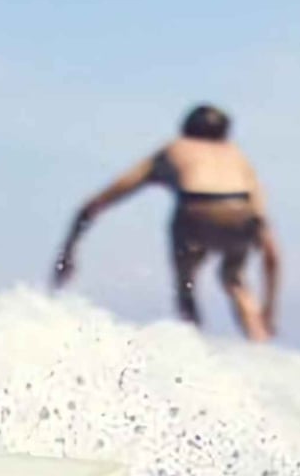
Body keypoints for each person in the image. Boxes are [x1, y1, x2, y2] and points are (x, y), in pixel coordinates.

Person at [52, 104, 279, 341]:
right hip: (241, 211)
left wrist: (68, 251)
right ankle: (260, 342)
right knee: (235, 281)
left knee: (186, 285)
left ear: (185, 129)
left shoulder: (173, 149)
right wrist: (269, 310)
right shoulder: (237, 156)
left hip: (195, 210)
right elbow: (270, 247)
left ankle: (195, 344)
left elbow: (96, 204)